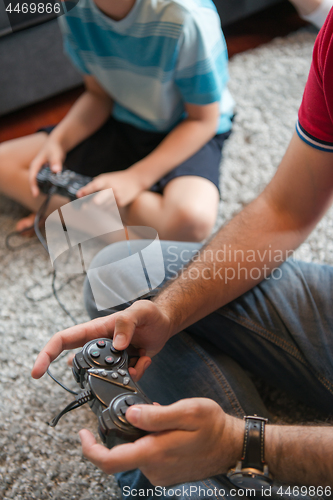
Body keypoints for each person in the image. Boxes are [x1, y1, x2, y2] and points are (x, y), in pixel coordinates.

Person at [31, 7, 333, 500]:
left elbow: (205, 121)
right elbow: (284, 212)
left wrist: (245, 446)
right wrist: (168, 310)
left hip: (177, 144)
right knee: (120, 273)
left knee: (183, 218)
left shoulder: (180, 17)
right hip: (124, 138)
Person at [0, 0, 234, 242]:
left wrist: (136, 178)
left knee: (191, 220)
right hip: (123, 118)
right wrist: (60, 141)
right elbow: (98, 95)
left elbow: (203, 120)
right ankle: (96, 218)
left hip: (186, 128)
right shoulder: (73, 9)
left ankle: (66, 213)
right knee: (4, 163)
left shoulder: (186, 16)